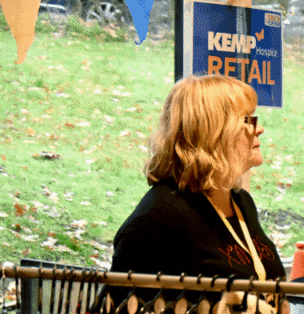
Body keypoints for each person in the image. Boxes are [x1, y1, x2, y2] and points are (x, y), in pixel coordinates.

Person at [111, 74, 285, 289]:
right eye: (248, 120)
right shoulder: (159, 217)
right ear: (214, 132)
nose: (260, 129)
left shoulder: (242, 202)